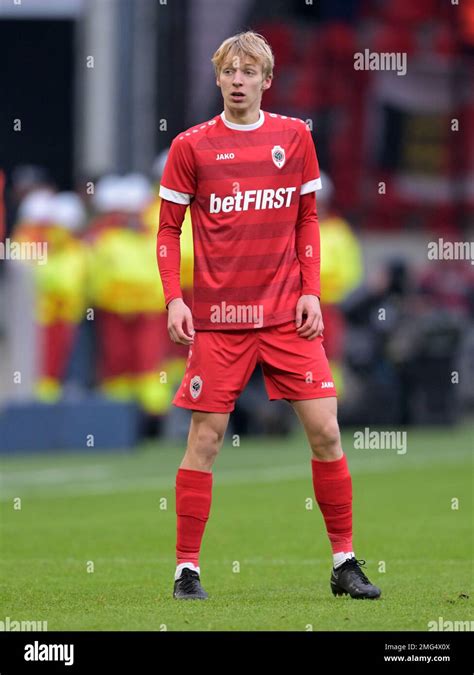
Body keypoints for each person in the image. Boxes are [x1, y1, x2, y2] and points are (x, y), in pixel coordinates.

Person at [157, 31, 381, 600]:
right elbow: (167, 229)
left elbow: (308, 218)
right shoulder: (190, 147)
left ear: (265, 80)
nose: (237, 79)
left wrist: (310, 290)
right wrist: (174, 299)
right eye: (229, 71)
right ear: (217, 79)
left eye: (248, 71)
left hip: (287, 317)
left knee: (327, 431)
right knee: (205, 440)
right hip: (219, 321)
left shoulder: (294, 137)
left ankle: (345, 562)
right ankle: (186, 570)